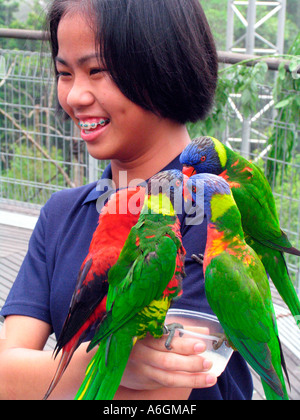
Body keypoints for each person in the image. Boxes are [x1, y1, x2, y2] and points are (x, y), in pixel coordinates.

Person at [0, 0, 253, 400]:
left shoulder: (222, 221)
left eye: (97, 71)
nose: (76, 96)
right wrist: (118, 360)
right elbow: (4, 374)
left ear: (165, 64)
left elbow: (169, 386)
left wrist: (64, 372)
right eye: (64, 73)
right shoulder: (62, 213)